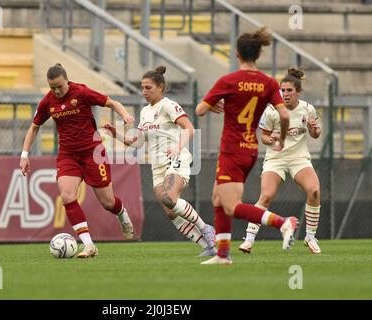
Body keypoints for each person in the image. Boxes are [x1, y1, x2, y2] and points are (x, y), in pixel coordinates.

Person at [195, 27, 298, 265]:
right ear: (258, 55)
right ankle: (222, 255)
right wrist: (281, 137)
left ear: (237, 54)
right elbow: (283, 115)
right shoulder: (269, 83)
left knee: (231, 205)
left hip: (231, 150)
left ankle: (283, 223)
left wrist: (213, 104)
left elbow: (200, 111)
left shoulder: (228, 81)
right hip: (250, 150)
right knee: (218, 199)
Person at [20, 63, 135, 258]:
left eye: (59, 86)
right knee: (66, 196)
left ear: (67, 80)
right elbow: (34, 127)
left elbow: (111, 102)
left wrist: (124, 114)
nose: (56, 91)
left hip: (93, 152)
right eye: (52, 87)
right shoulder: (47, 102)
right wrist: (24, 155)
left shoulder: (81, 92)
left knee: (107, 202)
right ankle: (88, 245)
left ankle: (122, 214)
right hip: (68, 155)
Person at [104, 66, 216, 256]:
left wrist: (177, 147)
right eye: (142, 87)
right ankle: (208, 247)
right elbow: (137, 142)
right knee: (171, 212)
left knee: (169, 198)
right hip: (158, 167)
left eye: (148, 87)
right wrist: (117, 135)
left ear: (160, 87)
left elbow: (188, 128)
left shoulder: (168, 105)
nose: (144, 92)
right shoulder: (146, 112)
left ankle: (206, 228)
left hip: (176, 158)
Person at [239, 67, 322, 254]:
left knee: (314, 191)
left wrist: (314, 129)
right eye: (282, 90)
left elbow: (316, 134)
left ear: (298, 92)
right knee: (266, 195)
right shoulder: (271, 110)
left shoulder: (308, 109)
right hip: (276, 158)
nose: (284, 94)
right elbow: (264, 138)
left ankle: (310, 237)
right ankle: (249, 239)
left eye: (289, 90)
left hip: (299, 158)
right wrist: (274, 139)